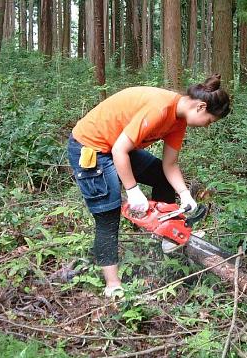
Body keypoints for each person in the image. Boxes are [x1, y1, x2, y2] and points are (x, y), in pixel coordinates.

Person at [67, 74, 231, 298]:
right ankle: (112, 285)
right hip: (91, 147)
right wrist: (133, 191)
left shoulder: (179, 121)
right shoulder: (160, 108)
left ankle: (168, 236)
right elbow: (118, 151)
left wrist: (185, 195)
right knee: (108, 213)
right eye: (209, 121)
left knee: (162, 178)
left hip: (119, 146)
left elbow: (170, 164)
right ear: (201, 107)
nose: (207, 126)